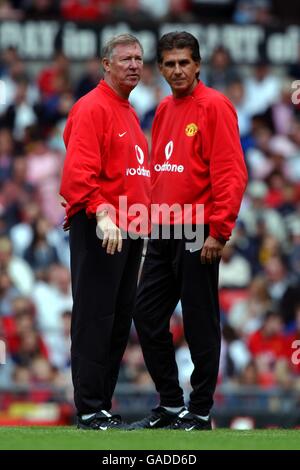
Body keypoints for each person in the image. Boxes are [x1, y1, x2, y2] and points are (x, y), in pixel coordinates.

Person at [130, 32, 247, 431]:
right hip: (162, 229)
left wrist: (220, 230)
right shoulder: (163, 109)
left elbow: (231, 172)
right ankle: (171, 405)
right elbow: (161, 174)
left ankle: (199, 412)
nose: (177, 70)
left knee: (199, 323)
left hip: (199, 229)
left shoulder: (215, 105)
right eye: (170, 63)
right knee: (145, 314)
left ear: (197, 65)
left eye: (184, 62)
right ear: (159, 69)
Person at [59, 34, 150, 430]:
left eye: (139, 58)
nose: (134, 64)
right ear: (106, 64)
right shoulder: (91, 107)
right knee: (95, 318)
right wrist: (100, 214)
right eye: (126, 58)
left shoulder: (127, 111)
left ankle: (101, 408)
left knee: (116, 321)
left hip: (129, 229)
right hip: (103, 226)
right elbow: (78, 173)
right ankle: (90, 408)